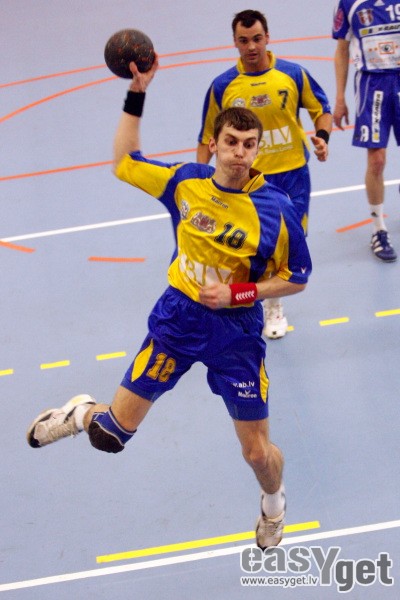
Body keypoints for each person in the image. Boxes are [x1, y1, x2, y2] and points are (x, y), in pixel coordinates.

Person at [26, 55, 312, 550]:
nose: (240, 152)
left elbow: (297, 278)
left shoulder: (276, 210)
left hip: (236, 334)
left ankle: (274, 505)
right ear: (214, 144)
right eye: (231, 142)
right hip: (178, 318)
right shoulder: (185, 181)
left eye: (249, 144)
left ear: (257, 149)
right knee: (111, 435)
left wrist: (240, 293)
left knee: (256, 454)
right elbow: (125, 161)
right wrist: (137, 92)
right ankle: (80, 413)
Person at [197, 9, 331, 339]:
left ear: (267, 37)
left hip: (292, 175)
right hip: (246, 179)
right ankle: (257, 303)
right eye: (244, 41)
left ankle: (270, 303)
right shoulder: (223, 86)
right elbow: (206, 137)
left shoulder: (292, 75)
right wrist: (203, 179)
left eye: (257, 39)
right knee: (251, 245)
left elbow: (322, 110)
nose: (252, 47)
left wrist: (322, 138)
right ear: (235, 42)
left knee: (288, 245)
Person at [332, 0, 398, 262]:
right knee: (377, 160)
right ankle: (378, 229)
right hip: (373, 84)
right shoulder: (349, 4)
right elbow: (341, 49)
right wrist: (340, 98)